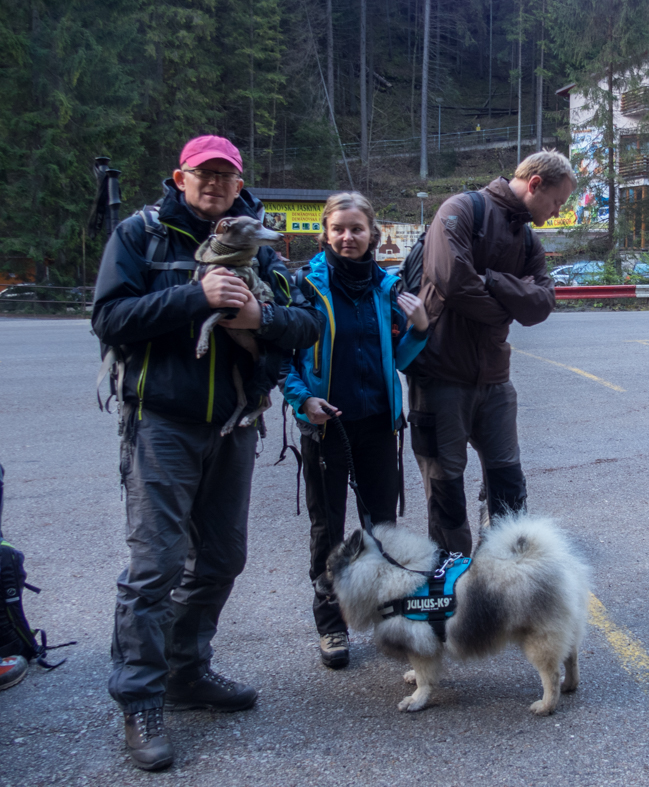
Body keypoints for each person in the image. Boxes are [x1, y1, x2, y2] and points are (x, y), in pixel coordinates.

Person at [91, 135, 320, 771]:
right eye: (203, 174)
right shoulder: (143, 236)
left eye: (225, 174)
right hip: (160, 420)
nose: (215, 184)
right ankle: (140, 699)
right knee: (156, 567)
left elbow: (309, 323)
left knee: (221, 559)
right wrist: (197, 297)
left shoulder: (260, 244)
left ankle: (186, 673)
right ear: (181, 177)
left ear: (239, 180)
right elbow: (109, 317)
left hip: (234, 423)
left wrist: (257, 320)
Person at [283, 192, 429, 669]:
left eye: (357, 229)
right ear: (325, 232)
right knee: (328, 529)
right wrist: (303, 401)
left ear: (373, 235)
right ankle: (331, 624)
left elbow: (400, 361)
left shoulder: (387, 289)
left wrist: (419, 330)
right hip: (326, 429)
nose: (347, 237)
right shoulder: (305, 287)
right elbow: (283, 359)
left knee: (380, 529)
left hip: (377, 427)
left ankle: (389, 619)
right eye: (339, 228)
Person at [406, 150, 575, 556]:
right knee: (445, 490)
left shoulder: (528, 237)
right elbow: (452, 280)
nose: (556, 212)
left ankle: (505, 580)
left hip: (496, 380)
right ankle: (456, 582)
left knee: (508, 485)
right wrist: (506, 308)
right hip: (440, 373)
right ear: (535, 183)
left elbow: (542, 304)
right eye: (556, 202)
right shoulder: (462, 210)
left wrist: (494, 281)